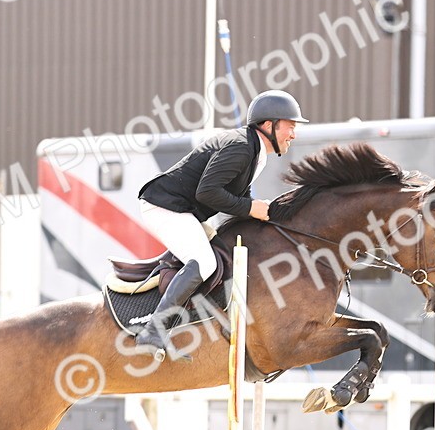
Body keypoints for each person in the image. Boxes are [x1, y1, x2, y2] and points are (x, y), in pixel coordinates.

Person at [132, 89, 308, 358]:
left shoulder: (254, 150)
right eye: (291, 126)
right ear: (268, 124)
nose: (294, 134)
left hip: (183, 209)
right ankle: (153, 330)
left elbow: (237, 194)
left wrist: (269, 215)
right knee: (205, 263)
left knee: (223, 256)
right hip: (165, 207)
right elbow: (208, 193)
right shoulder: (240, 147)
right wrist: (251, 208)